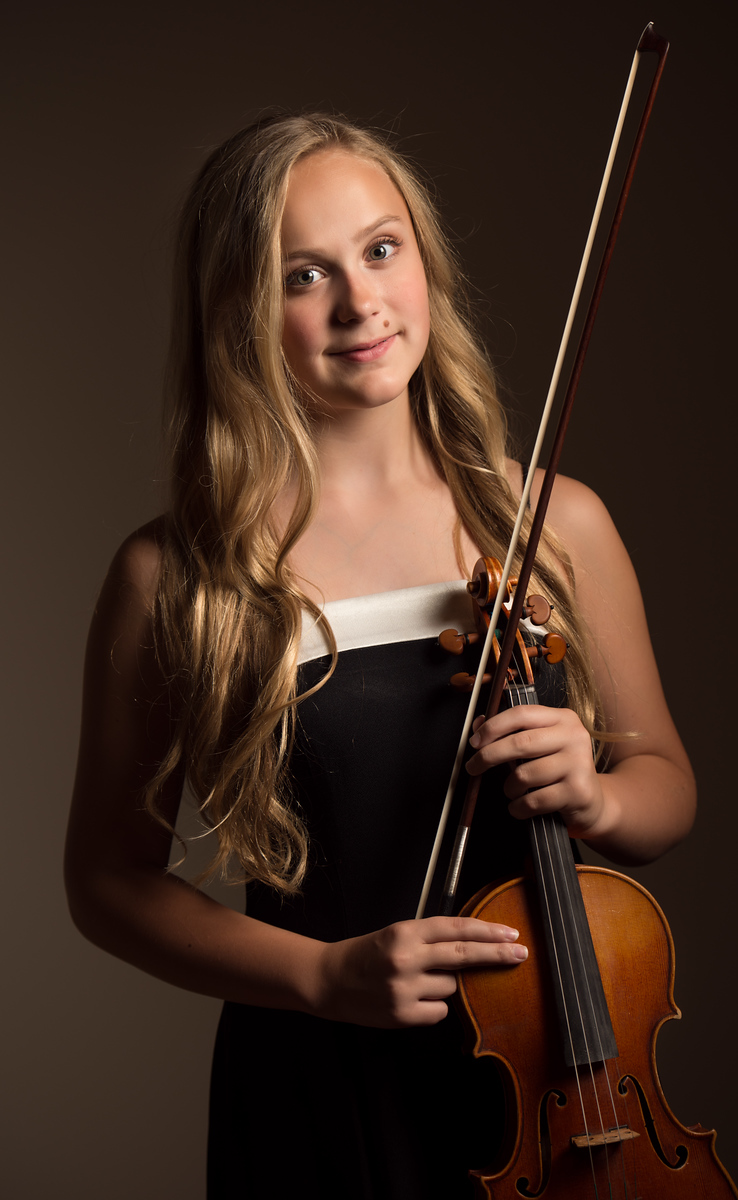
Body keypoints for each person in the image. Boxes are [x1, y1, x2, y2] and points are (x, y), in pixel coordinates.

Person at [65, 112, 696, 1198]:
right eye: (302, 275)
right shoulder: (177, 575)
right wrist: (320, 975)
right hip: (315, 1083)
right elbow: (107, 882)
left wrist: (594, 794)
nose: (360, 303)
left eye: (381, 249)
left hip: (560, 1072)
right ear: (238, 312)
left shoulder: (552, 523)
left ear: (424, 260)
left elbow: (666, 790)